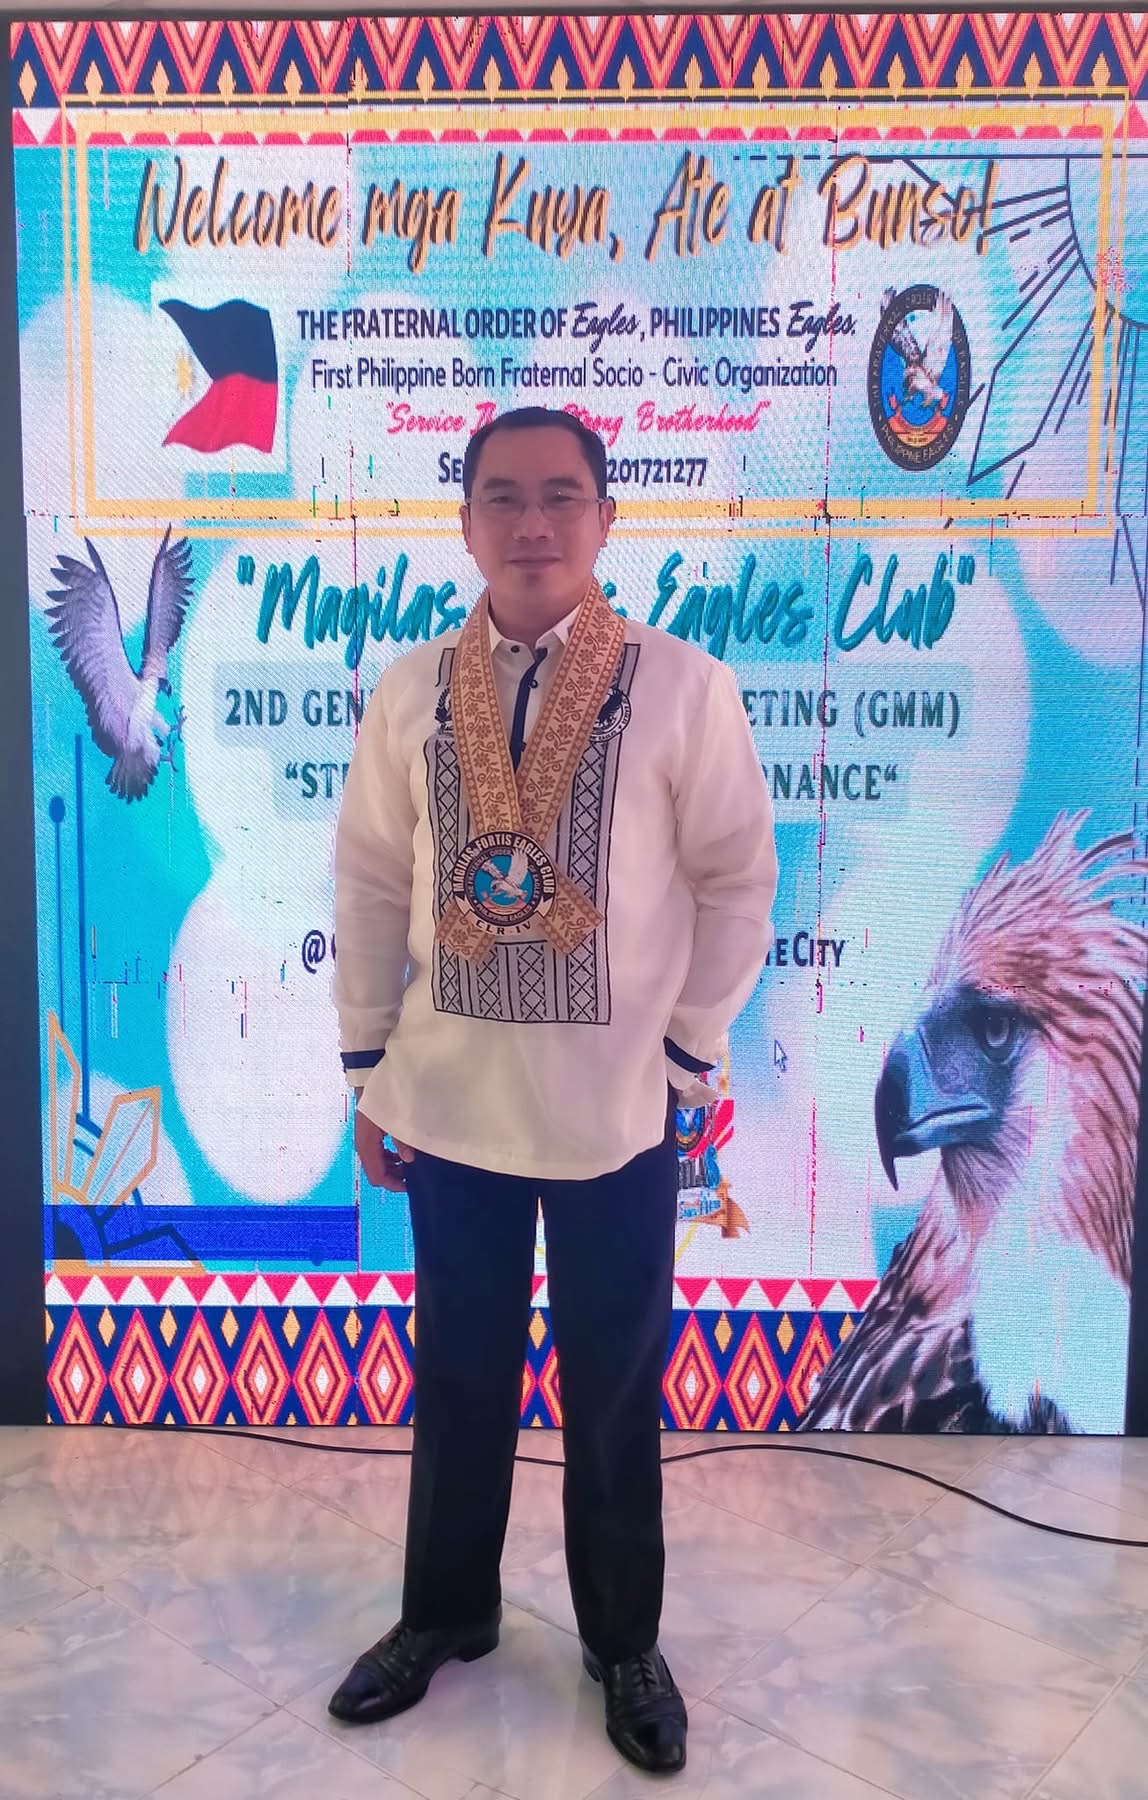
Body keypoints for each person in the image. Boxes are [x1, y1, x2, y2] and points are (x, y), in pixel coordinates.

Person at [328, 405, 777, 1775]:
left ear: (606, 519)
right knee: (460, 1373)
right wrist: (369, 1062)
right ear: (465, 521)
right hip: (451, 1103)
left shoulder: (684, 687)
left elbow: (738, 882)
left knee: (616, 1386)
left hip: (616, 1113)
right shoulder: (411, 690)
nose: (533, 524)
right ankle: (444, 1613)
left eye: (562, 496)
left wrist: (689, 1050)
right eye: (505, 497)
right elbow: (371, 881)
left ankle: (623, 1640)